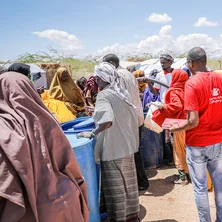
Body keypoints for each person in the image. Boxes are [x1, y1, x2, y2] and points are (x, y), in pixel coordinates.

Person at [0, 72, 89, 221]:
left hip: (27, 212)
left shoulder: (4, 131)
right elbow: (71, 168)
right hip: (66, 202)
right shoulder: (48, 121)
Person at [171, 47, 222, 222]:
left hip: (197, 144)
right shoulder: (220, 80)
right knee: (219, 184)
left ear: (191, 63)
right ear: (205, 61)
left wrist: (175, 128)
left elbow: (193, 121)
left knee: (200, 188)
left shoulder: (192, 83)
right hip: (217, 142)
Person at [77, 62, 140, 222]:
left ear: (99, 78)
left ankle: (118, 218)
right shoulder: (121, 92)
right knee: (128, 187)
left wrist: (91, 133)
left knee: (116, 190)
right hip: (127, 147)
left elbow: (107, 121)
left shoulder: (104, 95)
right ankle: (131, 217)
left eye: (97, 77)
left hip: (113, 149)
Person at [103, 54, 149, 191]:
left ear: (111, 63)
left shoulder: (117, 76)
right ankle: (140, 181)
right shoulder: (128, 74)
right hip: (136, 117)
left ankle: (140, 182)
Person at [152, 69, 190, 185]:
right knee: (187, 149)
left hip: (179, 124)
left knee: (178, 149)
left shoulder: (174, 91)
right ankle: (190, 173)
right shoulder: (188, 89)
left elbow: (176, 106)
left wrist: (163, 106)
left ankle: (183, 177)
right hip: (190, 121)